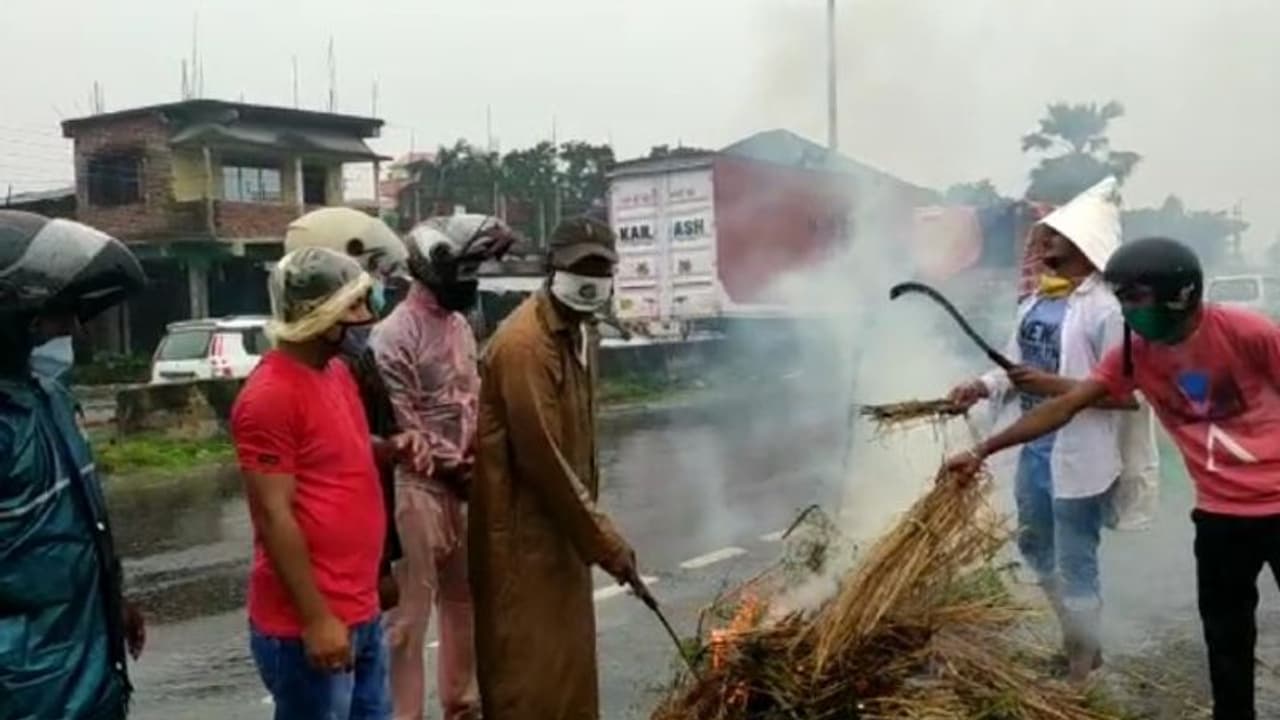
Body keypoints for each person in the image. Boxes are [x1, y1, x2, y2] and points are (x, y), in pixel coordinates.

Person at [944, 236, 1280, 719]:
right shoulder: (1134, 353)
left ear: (1180, 295)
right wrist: (981, 450)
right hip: (1220, 516)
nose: (1128, 311)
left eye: (1137, 298)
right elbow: (1065, 406)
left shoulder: (1248, 332)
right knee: (1226, 638)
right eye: (1123, 298)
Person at [945, 178, 1156, 683]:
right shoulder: (1037, 302)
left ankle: (1081, 674)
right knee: (1035, 549)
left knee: (1076, 560)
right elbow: (1014, 365)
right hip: (1033, 448)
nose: (1042, 244)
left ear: (1083, 245)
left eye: (1054, 236)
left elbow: (1129, 395)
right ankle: (1079, 641)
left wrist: (1051, 385)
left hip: (1080, 454)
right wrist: (981, 385)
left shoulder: (1108, 311)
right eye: (1043, 236)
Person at [231, 247, 423, 720]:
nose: (366, 318)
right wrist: (316, 619)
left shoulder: (335, 373)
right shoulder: (269, 397)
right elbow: (274, 515)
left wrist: (390, 447)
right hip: (309, 624)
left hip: (359, 609)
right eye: (353, 307)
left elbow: (343, 447)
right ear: (320, 314)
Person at [470, 215, 641, 720]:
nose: (590, 279)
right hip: (520, 548)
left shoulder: (579, 333)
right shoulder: (526, 345)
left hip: (562, 540)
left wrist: (591, 539)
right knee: (529, 686)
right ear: (552, 267)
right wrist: (606, 543)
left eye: (601, 269)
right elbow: (545, 460)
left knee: (569, 684)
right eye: (580, 267)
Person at [0, 210, 147, 719]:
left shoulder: (52, 398)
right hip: (26, 693)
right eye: (60, 311)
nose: (75, 327)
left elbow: (77, 523)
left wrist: (112, 599)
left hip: (88, 675)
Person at [371, 214, 516, 720]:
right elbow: (402, 419)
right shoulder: (394, 334)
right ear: (429, 271)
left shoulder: (461, 327)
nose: (470, 283)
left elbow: (471, 401)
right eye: (464, 272)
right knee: (407, 622)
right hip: (416, 489)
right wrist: (454, 468)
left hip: (463, 486)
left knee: (464, 603)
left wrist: (475, 460)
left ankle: (462, 705)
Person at [285, 207, 412, 610]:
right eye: (365, 284)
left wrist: (399, 443)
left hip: (363, 564)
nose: (373, 302)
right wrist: (379, 568)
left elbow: (375, 457)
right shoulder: (297, 380)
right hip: (333, 579)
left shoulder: (352, 360)